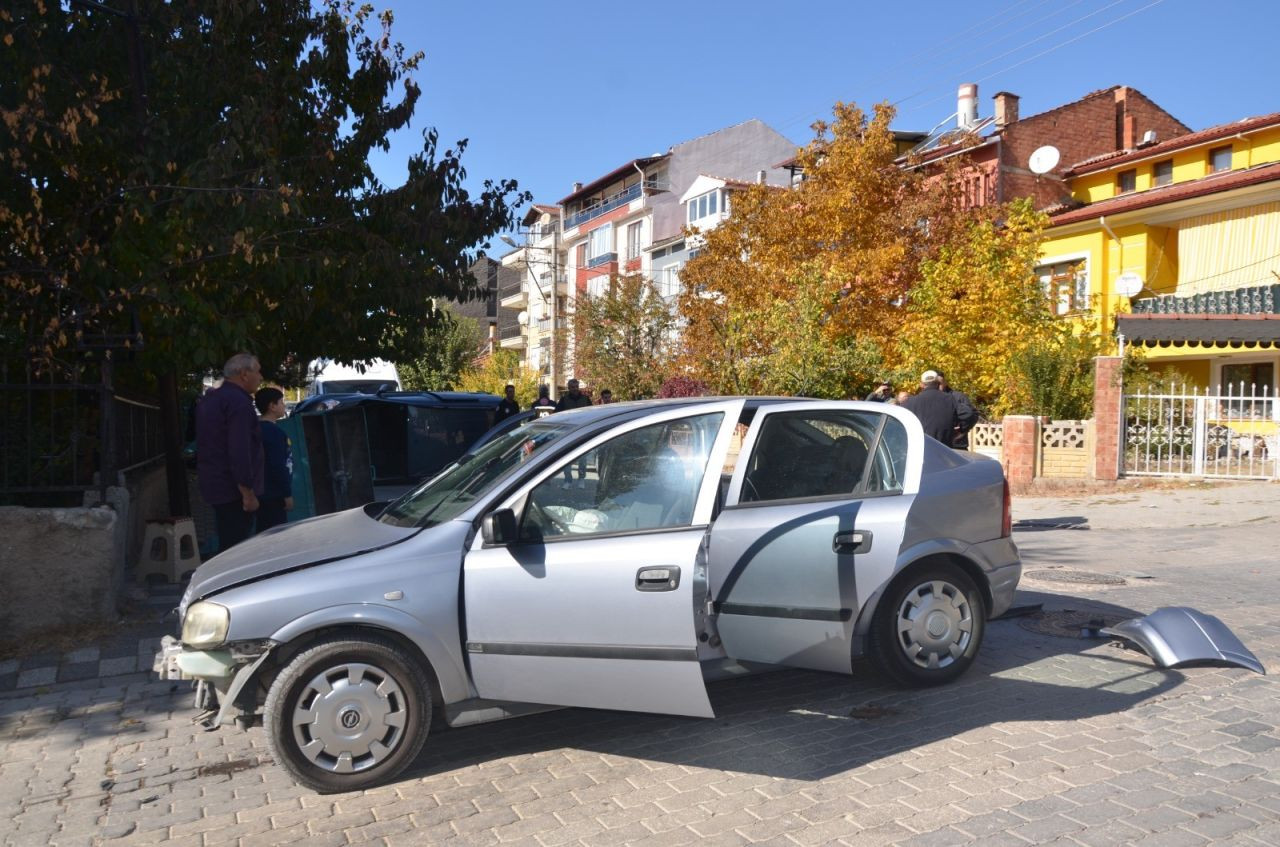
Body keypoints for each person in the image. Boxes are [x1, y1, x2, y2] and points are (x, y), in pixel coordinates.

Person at [197, 353, 264, 553]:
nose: (260, 377)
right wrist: (248, 493)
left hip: (216, 485)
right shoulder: (238, 402)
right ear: (244, 374)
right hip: (234, 491)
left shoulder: (212, 399)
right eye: (258, 371)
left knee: (228, 543)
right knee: (236, 550)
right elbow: (239, 448)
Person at [254, 387, 293, 533]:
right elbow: (277, 465)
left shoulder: (257, 429)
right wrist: (286, 494)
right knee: (275, 534)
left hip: (263, 492)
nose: (284, 406)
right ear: (272, 406)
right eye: (281, 402)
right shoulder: (273, 432)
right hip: (274, 494)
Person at [900, 370, 961, 445]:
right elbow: (969, 414)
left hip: (918, 449)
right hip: (943, 450)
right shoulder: (950, 399)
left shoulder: (909, 403)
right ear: (938, 384)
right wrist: (961, 431)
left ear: (921, 384)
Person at [555, 379, 594, 486]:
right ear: (569, 388)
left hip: (583, 432)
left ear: (578, 387)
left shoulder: (586, 399)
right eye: (572, 387)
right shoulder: (563, 400)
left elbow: (593, 414)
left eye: (576, 386)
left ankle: (581, 479)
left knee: (582, 457)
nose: (575, 389)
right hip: (568, 433)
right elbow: (557, 415)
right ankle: (568, 480)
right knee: (567, 457)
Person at [936, 371, 979, 449]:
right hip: (937, 444)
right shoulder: (929, 399)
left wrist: (962, 429)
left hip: (957, 445)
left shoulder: (957, 397)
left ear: (945, 382)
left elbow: (973, 414)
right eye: (936, 383)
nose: (938, 386)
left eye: (940, 383)